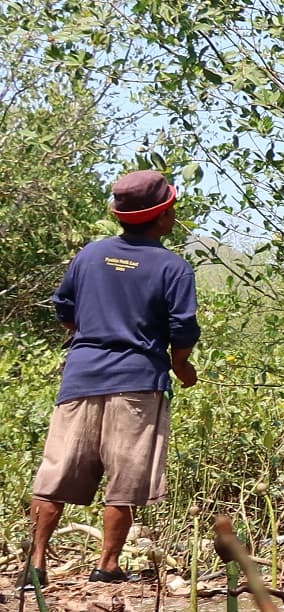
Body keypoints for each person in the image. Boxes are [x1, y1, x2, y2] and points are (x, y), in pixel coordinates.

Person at [28, 169, 200, 586]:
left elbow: (65, 310)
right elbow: (183, 330)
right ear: (163, 217)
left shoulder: (90, 255)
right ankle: (106, 566)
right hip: (138, 383)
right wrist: (181, 365)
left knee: (56, 473)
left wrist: (93, 336)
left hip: (80, 378)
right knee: (125, 479)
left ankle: (35, 565)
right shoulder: (174, 268)